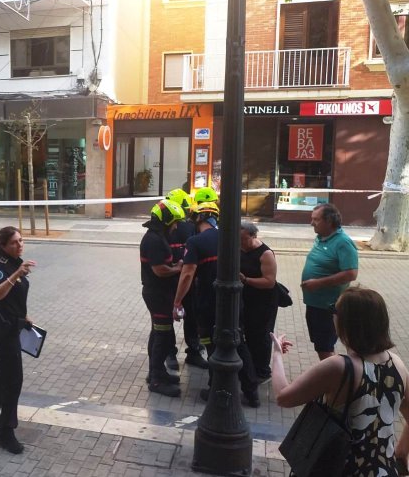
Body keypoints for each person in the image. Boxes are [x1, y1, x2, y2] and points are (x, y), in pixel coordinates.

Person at [272, 287, 409, 476]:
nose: (332, 315)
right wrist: (401, 453)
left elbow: (283, 397)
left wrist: (276, 356)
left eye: (333, 310)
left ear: (347, 322)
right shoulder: (398, 364)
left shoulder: (340, 367)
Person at [173, 201, 260, 407]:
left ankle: (216, 389)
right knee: (239, 342)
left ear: (199, 219)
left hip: (207, 303)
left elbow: (187, 275)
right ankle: (251, 391)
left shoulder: (195, 242)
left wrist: (177, 301)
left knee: (212, 345)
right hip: (234, 301)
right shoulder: (231, 237)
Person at [0, 226, 36, 454]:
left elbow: (14, 299)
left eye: (21, 240)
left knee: (0, 373)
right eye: (14, 242)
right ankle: (6, 433)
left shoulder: (17, 263)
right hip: (3, 329)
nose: (19, 245)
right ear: (3, 246)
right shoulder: (2, 267)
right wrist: (16, 276)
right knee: (13, 380)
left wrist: (24, 317)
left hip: (14, 324)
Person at [301, 203, 359, 361]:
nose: (311, 223)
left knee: (324, 346)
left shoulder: (343, 242)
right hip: (315, 304)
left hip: (327, 306)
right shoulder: (320, 238)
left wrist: (318, 283)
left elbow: (351, 273)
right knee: (320, 344)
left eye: (316, 219)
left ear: (329, 221)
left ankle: (333, 379)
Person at [140, 199, 185, 397]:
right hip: (157, 294)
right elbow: (160, 270)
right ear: (166, 221)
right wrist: (179, 267)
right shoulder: (154, 240)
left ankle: (157, 372)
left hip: (159, 293)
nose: (175, 227)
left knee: (159, 333)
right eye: (174, 222)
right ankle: (156, 380)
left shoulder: (158, 237)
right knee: (162, 336)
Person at [165, 188, 208, 371]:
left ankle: (172, 354)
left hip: (175, 280)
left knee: (175, 318)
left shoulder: (166, 229)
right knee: (190, 316)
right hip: (181, 280)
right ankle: (192, 352)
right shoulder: (190, 228)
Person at [239, 221, 277, 381]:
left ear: (253, 236)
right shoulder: (239, 249)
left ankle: (262, 371)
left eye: (244, 240)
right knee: (248, 333)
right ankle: (249, 366)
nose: (241, 243)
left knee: (260, 336)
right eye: (238, 240)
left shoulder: (265, 253)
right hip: (246, 299)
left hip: (263, 301)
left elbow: (269, 282)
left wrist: (246, 280)